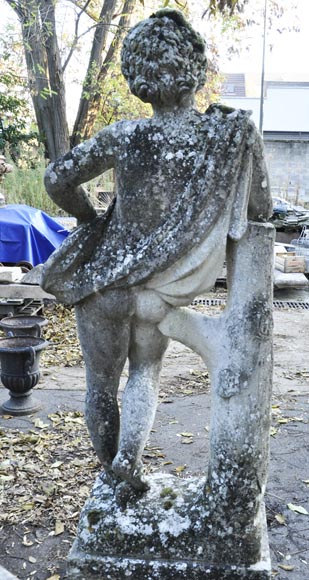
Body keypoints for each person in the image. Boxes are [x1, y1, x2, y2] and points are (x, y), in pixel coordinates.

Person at [41, 9, 272, 491]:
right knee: (145, 370)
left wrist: (89, 219)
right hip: (160, 292)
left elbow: (55, 178)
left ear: (137, 76)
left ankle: (117, 481)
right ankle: (129, 457)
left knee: (100, 388)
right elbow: (260, 212)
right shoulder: (224, 136)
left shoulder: (124, 136)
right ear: (194, 69)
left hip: (105, 284)